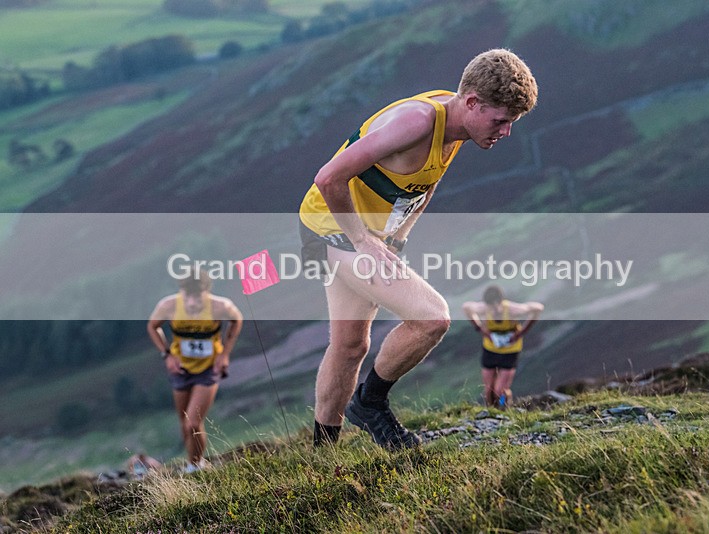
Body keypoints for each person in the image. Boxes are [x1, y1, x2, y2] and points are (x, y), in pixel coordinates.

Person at [298, 49, 538, 449]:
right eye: (500, 120)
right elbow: (329, 178)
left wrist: (398, 239)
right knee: (432, 318)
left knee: (350, 345)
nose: (505, 132)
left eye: (511, 123)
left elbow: (424, 185)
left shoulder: (458, 125)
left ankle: (323, 452)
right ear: (473, 103)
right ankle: (370, 403)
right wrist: (363, 241)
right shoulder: (416, 122)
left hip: (362, 232)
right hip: (330, 228)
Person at [147, 269, 243, 471]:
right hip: (181, 368)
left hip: (208, 368)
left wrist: (225, 353)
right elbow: (152, 326)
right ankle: (196, 463)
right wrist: (167, 355)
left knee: (192, 422)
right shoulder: (169, 305)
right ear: (181, 291)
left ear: (206, 292)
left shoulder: (220, 306)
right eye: (187, 295)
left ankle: (194, 466)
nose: (191, 302)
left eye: (197, 296)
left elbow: (237, 319)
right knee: (184, 423)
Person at [462, 285, 544, 409]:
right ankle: (491, 412)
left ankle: (503, 406)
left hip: (510, 351)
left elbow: (538, 308)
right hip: (490, 349)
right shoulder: (484, 308)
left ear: (500, 302)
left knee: (499, 389)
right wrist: (480, 328)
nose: (492, 311)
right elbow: (466, 307)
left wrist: (522, 331)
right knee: (488, 389)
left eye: (494, 307)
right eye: (489, 307)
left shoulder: (512, 309)